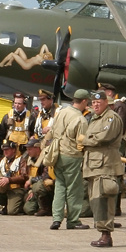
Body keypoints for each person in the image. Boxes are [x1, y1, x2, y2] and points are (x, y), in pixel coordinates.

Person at [82, 90, 124, 247]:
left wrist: (85, 140)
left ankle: (106, 235)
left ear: (107, 102)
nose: (96, 105)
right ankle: (102, 233)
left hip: (105, 166)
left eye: (99, 102)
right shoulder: (95, 118)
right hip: (94, 167)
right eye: (93, 102)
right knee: (96, 202)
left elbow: (103, 137)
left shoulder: (111, 118)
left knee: (104, 201)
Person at [48, 90, 90, 231]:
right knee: (74, 189)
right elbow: (81, 143)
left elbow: (52, 130)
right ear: (84, 101)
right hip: (72, 155)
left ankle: (56, 218)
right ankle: (73, 220)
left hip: (57, 153)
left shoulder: (62, 112)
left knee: (60, 187)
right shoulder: (81, 119)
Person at [0, 140, 29, 215]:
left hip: (16, 189)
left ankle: (20, 205)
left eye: (7, 149)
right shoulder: (2, 161)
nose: (5, 152)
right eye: (4, 150)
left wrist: (9, 180)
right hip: (4, 190)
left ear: (14, 149)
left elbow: (24, 177)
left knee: (12, 212)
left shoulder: (21, 160)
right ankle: (8, 204)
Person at [22, 137, 54, 216]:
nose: (28, 152)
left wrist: (32, 181)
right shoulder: (30, 160)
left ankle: (47, 208)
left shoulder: (44, 160)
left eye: (30, 149)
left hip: (46, 186)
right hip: (33, 189)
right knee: (28, 209)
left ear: (37, 148)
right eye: (27, 149)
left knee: (38, 186)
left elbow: (43, 176)